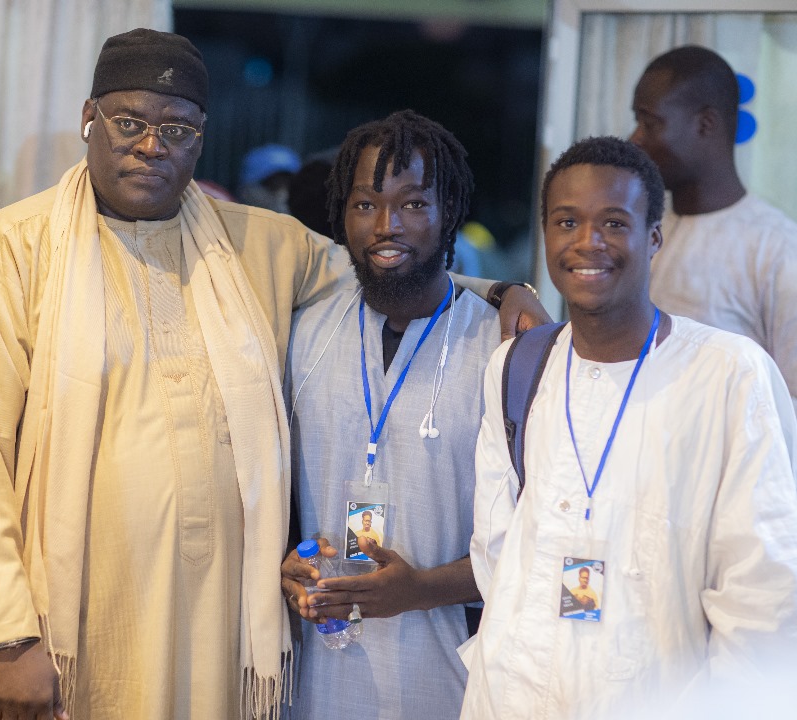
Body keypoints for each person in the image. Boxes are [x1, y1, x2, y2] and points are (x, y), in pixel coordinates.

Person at [0, 29, 546, 720]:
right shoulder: (9, 255)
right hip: (65, 630)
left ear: (201, 137)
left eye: (178, 129)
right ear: (87, 119)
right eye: (129, 123)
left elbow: (386, 266)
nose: (152, 145)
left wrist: (494, 292)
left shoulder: (256, 243)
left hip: (214, 633)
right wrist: (9, 639)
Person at [461, 136, 797, 720]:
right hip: (510, 694)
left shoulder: (729, 374)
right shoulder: (516, 365)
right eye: (567, 221)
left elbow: (764, 596)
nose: (588, 241)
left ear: (654, 238)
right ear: (546, 236)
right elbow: (495, 552)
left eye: (614, 223)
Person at [280, 110, 503, 720]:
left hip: (448, 676)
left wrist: (420, 590)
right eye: (365, 204)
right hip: (319, 672)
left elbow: (532, 540)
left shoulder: (499, 348)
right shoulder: (304, 334)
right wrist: (283, 563)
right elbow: (266, 491)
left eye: (413, 204)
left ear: (448, 212)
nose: (387, 226)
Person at [629, 45, 797, 410]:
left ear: (705, 124)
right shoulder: (640, 233)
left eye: (649, 122)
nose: (635, 139)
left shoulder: (777, 248)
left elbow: (790, 404)